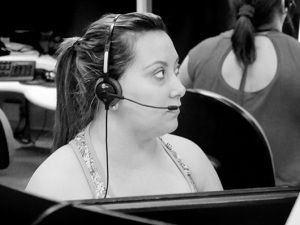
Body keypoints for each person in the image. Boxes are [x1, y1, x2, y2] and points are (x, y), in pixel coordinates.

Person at [25, 12, 223, 201]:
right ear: (108, 91)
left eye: (176, 70)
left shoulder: (192, 159)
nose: (180, 88)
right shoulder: (55, 184)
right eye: (160, 73)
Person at [178, 0, 300, 187]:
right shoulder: (296, 56)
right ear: (284, 6)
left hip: (214, 201)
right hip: (284, 205)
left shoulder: (200, 54)